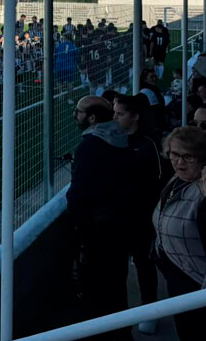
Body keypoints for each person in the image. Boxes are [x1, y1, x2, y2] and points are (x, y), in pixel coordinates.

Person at [67, 96, 133, 340]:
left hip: (98, 232)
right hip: (118, 226)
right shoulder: (120, 138)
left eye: (79, 111)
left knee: (96, 293)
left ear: (92, 117)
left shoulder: (92, 145)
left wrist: (79, 226)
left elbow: (80, 193)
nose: (76, 115)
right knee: (115, 288)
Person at [153, 126, 206, 339]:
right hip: (178, 277)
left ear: (202, 156)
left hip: (201, 290)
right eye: (174, 154)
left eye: (187, 156)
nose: (179, 162)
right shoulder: (177, 179)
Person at [112, 94, 164, 335]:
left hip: (142, 218)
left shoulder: (147, 144)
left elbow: (154, 183)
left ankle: (150, 311)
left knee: (144, 265)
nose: (114, 117)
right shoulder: (119, 140)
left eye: (119, 114)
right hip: (120, 217)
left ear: (135, 117)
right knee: (123, 266)